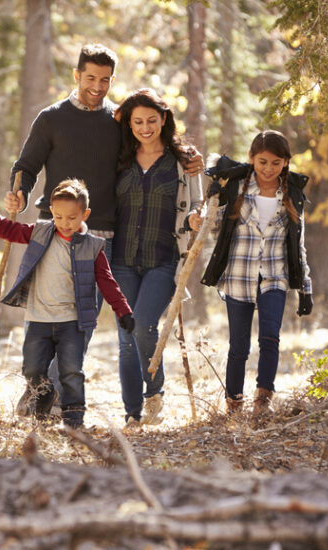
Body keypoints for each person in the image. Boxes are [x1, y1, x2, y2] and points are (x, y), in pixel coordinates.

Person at [5, 43, 203, 407]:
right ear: (77, 75)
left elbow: (154, 144)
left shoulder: (118, 121)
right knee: (47, 315)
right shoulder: (51, 118)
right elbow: (26, 166)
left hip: (102, 237)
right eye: (91, 77)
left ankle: (50, 398)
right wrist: (17, 192)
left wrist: (189, 157)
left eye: (106, 80)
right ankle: (38, 388)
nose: (97, 86)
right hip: (53, 231)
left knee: (83, 321)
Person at [0, 180, 135, 429]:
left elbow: (107, 281)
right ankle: (44, 395)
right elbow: (8, 230)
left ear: (85, 214)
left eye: (71, 217)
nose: (65, 223)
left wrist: (123, 310)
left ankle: (74, 420)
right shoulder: (41, 232)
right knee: (32, 369)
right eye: (58, 216)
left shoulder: (92, 246)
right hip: (38, 319)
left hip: (72, 322)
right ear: (51, 212)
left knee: (71, 372)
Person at [199, 130, 314, 417]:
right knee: (239, 345)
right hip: (238, 276)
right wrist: (213, 204)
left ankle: (263, 399)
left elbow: (298, 244)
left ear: (286, 162)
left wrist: (305, 288)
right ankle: (233, 402)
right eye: (262, 161)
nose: (268, 169)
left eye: (276, 163)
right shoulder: (236, 187)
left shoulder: (292, 194)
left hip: (274, 275)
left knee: (270, 338)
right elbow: (215, 230)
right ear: (251, 158)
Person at [110, 89, 203, 428]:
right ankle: (132, 414)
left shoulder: (183, 161)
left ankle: (154, 391)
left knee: (144, 325)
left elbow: (198, 204)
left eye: (151, 120)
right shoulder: (118, 157)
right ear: (130, 124)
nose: (145, 127)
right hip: (121, 259)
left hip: (164, 259)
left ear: (164, 119)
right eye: (138, 121)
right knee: (125, 337)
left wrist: (196, 217)